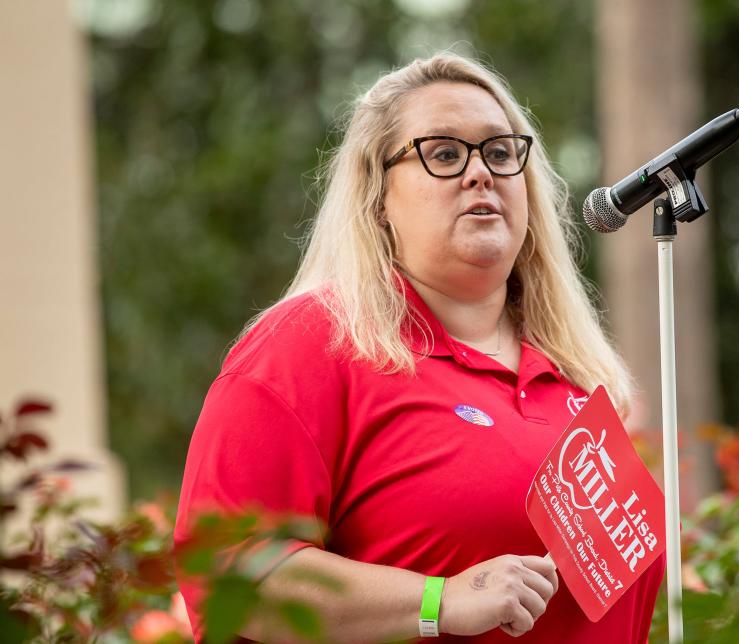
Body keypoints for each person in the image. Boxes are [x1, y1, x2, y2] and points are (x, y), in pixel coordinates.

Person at [174, 51, 665, 642]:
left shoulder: (576, 378)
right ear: (378, 196)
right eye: (444, 154)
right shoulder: (310, 344)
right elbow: (227, 574)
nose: (480, 173)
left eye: (501, 151)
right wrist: (437, 599)